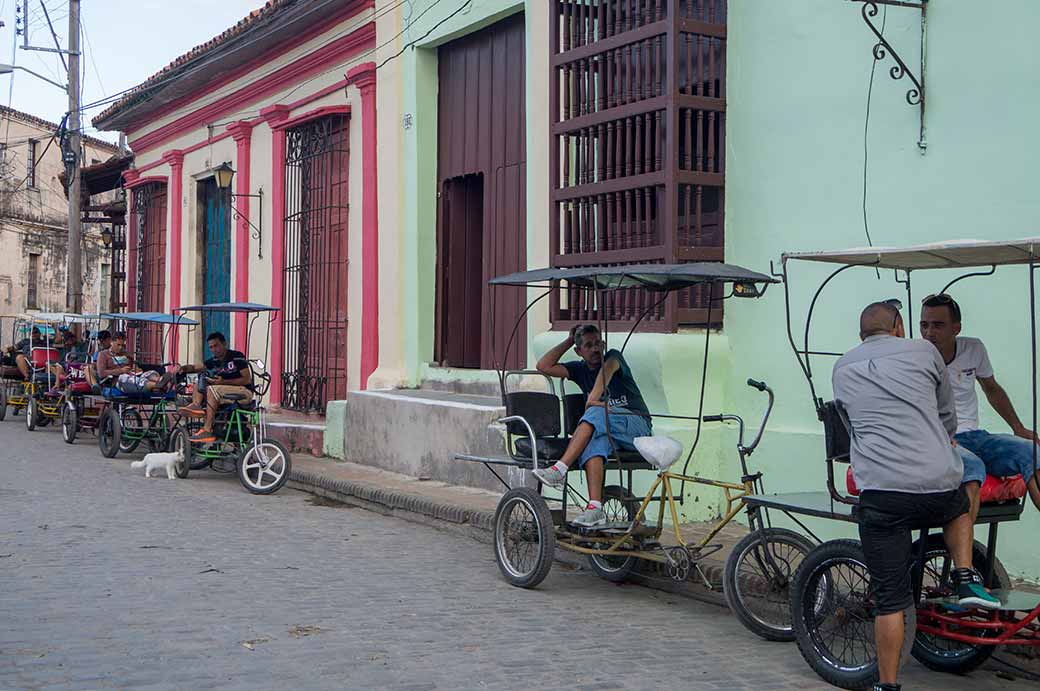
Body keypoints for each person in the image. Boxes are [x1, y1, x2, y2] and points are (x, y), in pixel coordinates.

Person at [832, 301, 999, 691]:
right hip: (935, 486)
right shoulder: (924, 351)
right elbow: (947, 415)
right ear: (898, 326)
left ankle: (888, 685)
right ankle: (963, 575)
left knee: (890, 603)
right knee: (959, 501)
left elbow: (849, 423)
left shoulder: (841, 366)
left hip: (882, 495)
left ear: (861, 335)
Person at [920, 293, 1040, 521]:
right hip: (941, 440)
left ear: (956, 328)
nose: (929, 333)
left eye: (937, 325)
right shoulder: (914, 358)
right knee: (973, 466)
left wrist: (1018, 427)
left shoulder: (973, 348)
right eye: (924, 325)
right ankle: (963, 544)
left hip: (975, 436)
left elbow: (992, 389)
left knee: (1033, 452)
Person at [532, 324, 652, 528]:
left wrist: (593, 400)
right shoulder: (579, 369)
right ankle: (595, 508)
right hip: (609, 428)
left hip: (636, 425)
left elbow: (607, 370)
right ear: (579, 351)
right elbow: (543, 366)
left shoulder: (613, 357)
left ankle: (559, 469)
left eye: (598, 343)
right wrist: (568, 341)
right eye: (588, 345)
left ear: (603, 345)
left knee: (596, 412)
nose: (595, 349)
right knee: (594, 443)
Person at [176, 332, 253, 443]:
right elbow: (196, 367)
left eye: (216, 346)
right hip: (224, 393)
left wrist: (223, 382)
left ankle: (207, 429)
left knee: (212, 389)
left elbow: (247, 379)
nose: (213, 349)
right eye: (211, 347)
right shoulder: (214, 361)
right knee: (200, 381)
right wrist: (183, 368)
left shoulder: (236, 356)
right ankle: (196, 406)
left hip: (243, 392)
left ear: (224, 344)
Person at [95, 331, 169, 395]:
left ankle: (159, 380)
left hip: (133, 374)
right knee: (130, 379)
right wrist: (120, 371)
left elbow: (132, 365)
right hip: (118, 379)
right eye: (118, 345)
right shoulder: (103, 354)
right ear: (111, 342)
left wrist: (136, 368)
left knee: (150, 373)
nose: (120, 348)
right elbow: (101, 373)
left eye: (122, 345)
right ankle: (156, 385)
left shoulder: (126, 354)